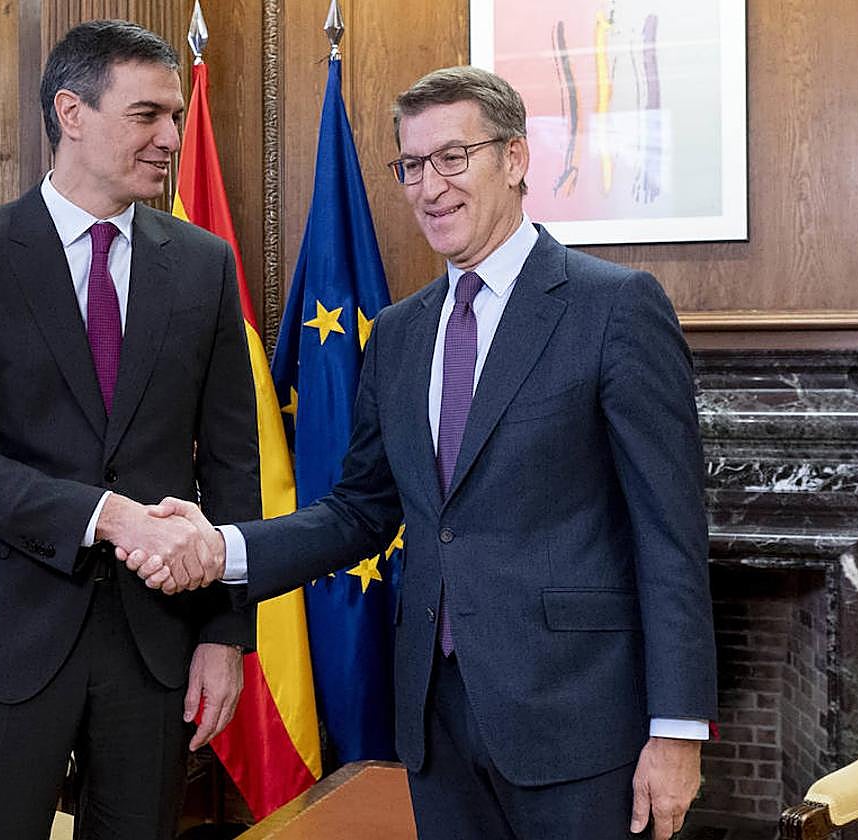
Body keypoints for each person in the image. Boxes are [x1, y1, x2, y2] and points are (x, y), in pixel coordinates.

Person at [125, 66, 717, 840]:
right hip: (435, 724)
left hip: (579, 727)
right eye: (410, 165)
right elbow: (360, 510)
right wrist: (224, 547)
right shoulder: (401, 333)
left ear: (514, 158)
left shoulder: (614, 308)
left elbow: (670, 537)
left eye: (453, 157)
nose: (428, 186)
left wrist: (678, 730)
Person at [0, 19, 260, 839]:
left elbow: (234, 465)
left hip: (154, 650)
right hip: (1, 641)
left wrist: (226, 636)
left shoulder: (204, 264)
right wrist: (109, 516)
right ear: (72, 112)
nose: (171, 137)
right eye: (147, 115)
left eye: (175, 115)